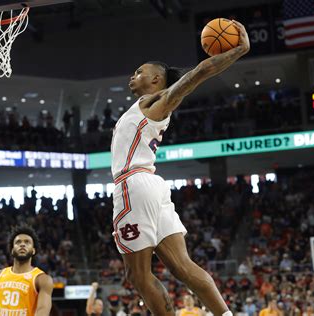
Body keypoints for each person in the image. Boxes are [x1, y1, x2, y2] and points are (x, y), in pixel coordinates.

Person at [110, 19, 250, 316]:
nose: (132, 76)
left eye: (139, 72)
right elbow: (194, 73)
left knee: (137, 274)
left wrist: (240, 49)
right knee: (182, 267)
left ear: (157, 80)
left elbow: (199, 72)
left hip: (134, 185)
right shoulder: (150, 104)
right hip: (152, 185)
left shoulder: (153, 103)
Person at [0, 225, 53, 316]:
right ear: (12, 250)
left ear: (33, 251)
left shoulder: (42, 279)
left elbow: (42, 311)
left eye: (27, 242)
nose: (22, 244)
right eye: (18, 242)